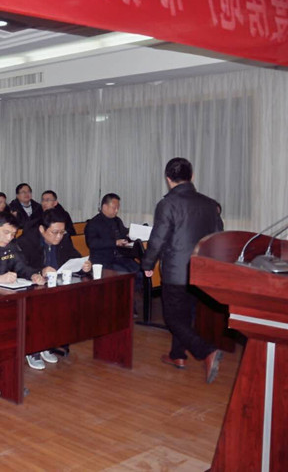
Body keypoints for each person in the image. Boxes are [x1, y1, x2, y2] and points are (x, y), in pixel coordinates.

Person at [142, 157, 224, 384]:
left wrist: (147, 264)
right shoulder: (210, 204)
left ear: (168, 179)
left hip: (176, 271)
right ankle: (177, 355)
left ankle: (206, 351)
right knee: (186, 316)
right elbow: (218, 238)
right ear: (192, 176)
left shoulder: (167, 204)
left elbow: (158, 239)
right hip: (201, 270)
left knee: (172, 318)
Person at [17, 210, 92, 369]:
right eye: (54, 232)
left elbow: (74, 257)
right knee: (40, 307)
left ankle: (47, 344)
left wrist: (84, 266)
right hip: (31, 287)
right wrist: (40, 271)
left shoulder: (64, 239)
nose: (59, 236)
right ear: (42, 229)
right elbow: (20, 267)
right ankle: (32, 349)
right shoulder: (26, 242)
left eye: (61, 232)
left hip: (55, 286)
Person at [85, 193, 141, 279]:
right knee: (128, 275)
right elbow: (92, 243)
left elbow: (124, 233)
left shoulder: (117, 220)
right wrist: (114, 242)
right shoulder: (93, 223)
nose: (116, 211)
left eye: (118, 208)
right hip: (104, 260)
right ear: (104, 207)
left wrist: (130, 236)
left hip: (121, 257)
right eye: (114, 208)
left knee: (140, 271)